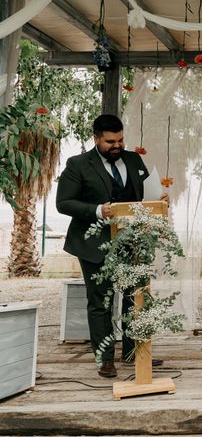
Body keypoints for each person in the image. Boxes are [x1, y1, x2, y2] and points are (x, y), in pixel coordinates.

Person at [56, 114, 166, 378]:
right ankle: (104, 359)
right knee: (101, 303)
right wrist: (97, 210)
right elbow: (63, 203)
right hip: (94, 246)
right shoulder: (78, 164)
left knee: (135, 298)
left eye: (120, 139)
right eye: (110, 141)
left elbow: (141, 196)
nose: (117, 145)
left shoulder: (133, 160)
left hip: (132, 243)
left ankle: (133, 353)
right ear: (96, 139)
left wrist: (157, 199)